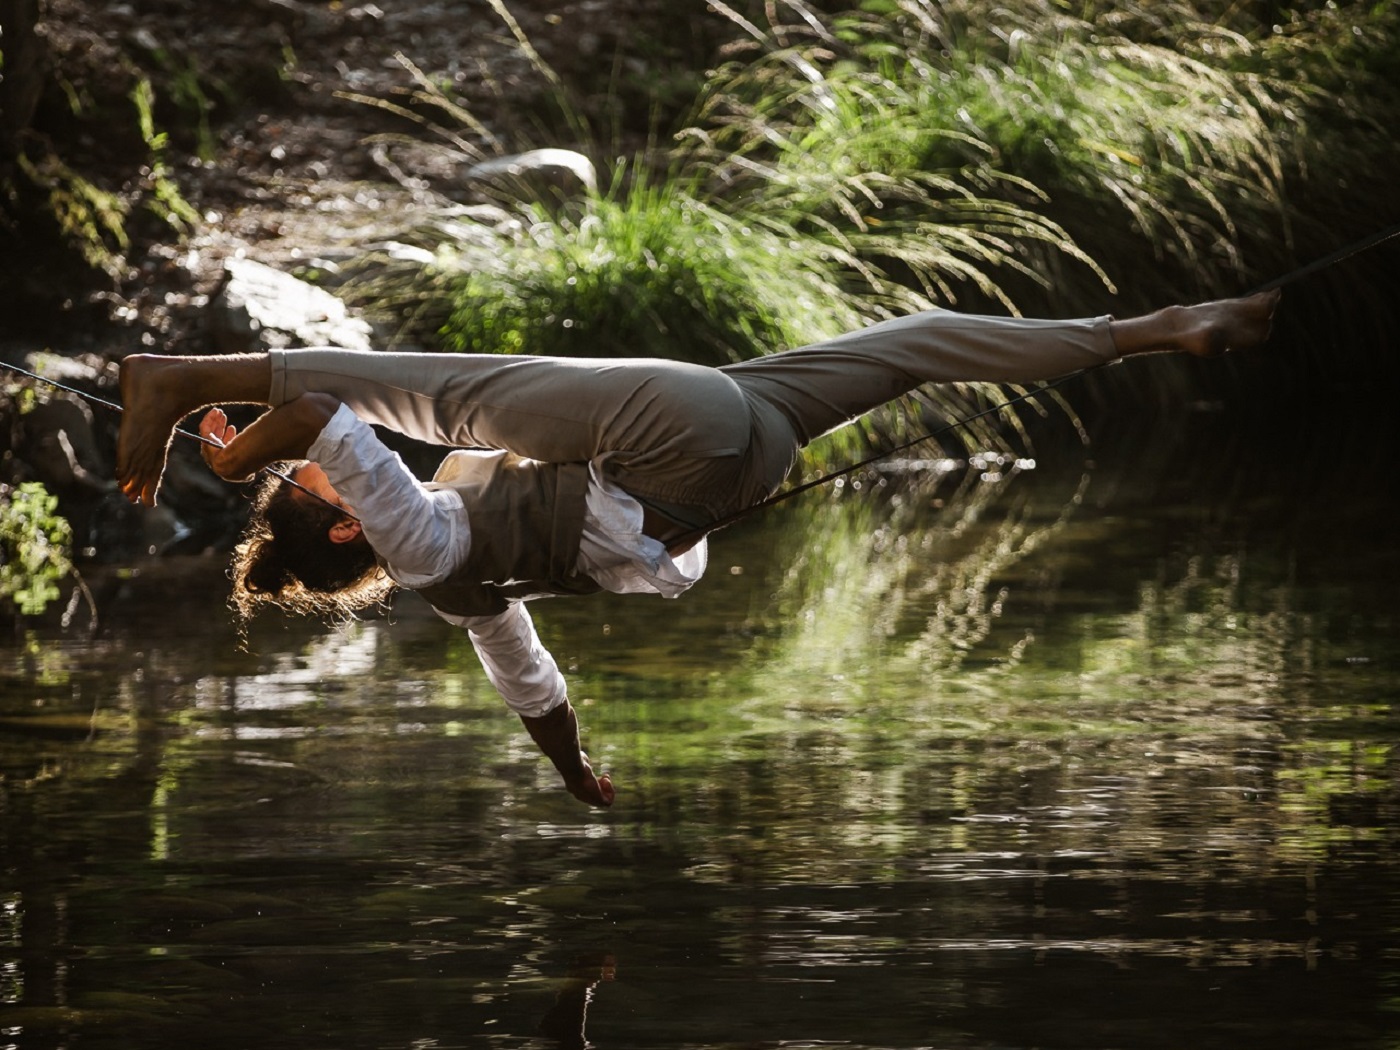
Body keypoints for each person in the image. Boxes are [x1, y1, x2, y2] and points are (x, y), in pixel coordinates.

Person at [115, 291, 1280, 807]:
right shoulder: (418, 539)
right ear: (344, 523)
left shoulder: (460, 576)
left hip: (743, 441)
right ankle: (174, 376)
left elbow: (532, 685)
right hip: (679, 437)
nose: (301, 468)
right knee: (452, 398)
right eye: (301, 487)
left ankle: (1159, 330)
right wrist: (230, 447)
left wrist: (572, 772)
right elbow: (326, 418)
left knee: (918, 344)